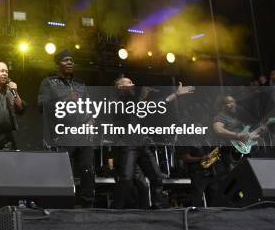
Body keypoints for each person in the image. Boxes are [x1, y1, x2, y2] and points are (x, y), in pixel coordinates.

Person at [111, 77, 194, 209]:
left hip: (142, 145)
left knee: (156, 177)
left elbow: (157, 104)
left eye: (133, 82)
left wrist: (176, 95)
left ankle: (157, 207)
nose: (134, 84)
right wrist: (142, 98)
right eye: (130, 83)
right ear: (120, 87)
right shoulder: (117, 102)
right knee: (126, 180)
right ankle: (115, 210)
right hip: (127, 145)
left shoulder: (136, 100)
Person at [38, 48, 95, 207]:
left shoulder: (80, 84)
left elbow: (90, 106)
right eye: (66, 60)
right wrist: (65, 102)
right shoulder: (49, 82)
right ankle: (63, 206)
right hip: (63, 132)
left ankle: (88, 206)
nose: (70, 63)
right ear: (58, 64)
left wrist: (91, 120)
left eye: (72, 60)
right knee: (63, 170)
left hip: (83, 133)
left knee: (87, 170)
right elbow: (42, 106)